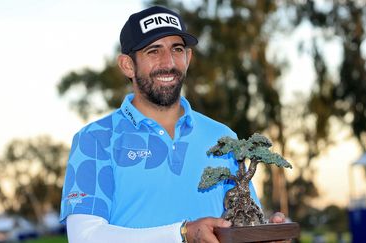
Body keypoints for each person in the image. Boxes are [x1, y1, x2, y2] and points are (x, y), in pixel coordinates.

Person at [59, 5, 285, 243]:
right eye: (153, 51)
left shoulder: (223, 136)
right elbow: (85, 236)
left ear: (188, 58)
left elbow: (237, 229)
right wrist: (182, 234)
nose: (168, 62)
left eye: (177, 49)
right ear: (127, 65)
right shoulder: (95, 139)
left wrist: (264, 236)